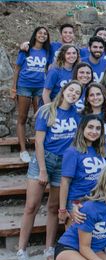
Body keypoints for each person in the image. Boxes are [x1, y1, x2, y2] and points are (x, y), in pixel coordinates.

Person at [17, 81, 82, 260]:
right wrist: (43, 170)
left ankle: (49, 248)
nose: (73, 94)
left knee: (54, 207)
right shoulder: (47, 111)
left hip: (64, 163)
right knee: (31, 205)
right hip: (43, 160)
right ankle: (21, 249)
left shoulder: (77, 115)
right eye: (71, 90)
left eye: (77, 92)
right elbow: (39, 141)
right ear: (63, 91)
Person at [12, 26, 51, 163]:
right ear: (35, 35)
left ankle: (39, 148)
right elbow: (17, 69)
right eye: (40, 33)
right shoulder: (26, 50)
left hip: (40, 88)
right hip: (24, 86)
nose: (42, 35)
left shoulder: (47, 51)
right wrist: (13, 89)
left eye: (45, 33)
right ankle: (23, 151)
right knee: (22, 118)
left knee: (41, 118)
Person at [59, 114, 106, 221]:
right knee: (75, 237)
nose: (94, 131)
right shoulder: (72, 152)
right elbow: (65, 182)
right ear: (82, 128)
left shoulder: (100, 151)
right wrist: (62, 209)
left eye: (98, 128)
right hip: (78, 202)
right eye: (90, 127)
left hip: (97, 200)